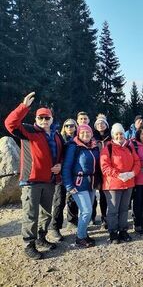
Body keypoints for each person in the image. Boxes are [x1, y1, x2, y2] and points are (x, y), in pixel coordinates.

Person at [5, 92, 64, 259]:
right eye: (41, 118)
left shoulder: (57, 136)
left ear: (52, 119)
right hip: (31, 181)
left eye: (47, 118)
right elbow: (10, 124)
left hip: (49, 181)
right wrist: (23, 107)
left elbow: (61, 155)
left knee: (46, 213)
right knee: (31, 214)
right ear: (36, 120)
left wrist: (60, 165)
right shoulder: (29, 131)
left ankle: (41, 238)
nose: (44, 121)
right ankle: (28, 244)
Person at [100, 123, 141, 244]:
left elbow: (137, 161)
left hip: (128, 183)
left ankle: (123, 230)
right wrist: (118, 174)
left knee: (124, 208)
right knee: (113, 209)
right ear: (113, 135)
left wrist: (132, 173)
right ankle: (113, 232)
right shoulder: (108, 148)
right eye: (117, 134)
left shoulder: (129, 146)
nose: (119, 136)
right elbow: (104, 166)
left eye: (121, 134)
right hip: (113, 184)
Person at [62, 124, 100, 248]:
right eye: (82, 133)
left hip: (91, 183)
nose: (85, 135)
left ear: (91, 134)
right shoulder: (74, 147)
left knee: (88, 211)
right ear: (78, 134)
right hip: (78, 183)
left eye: (88, 133)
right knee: (86, 211)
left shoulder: (94, 146)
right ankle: (80, 237)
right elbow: (66, 166)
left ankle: (83, 234)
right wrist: (68, 185)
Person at [49, 118, 78, 241]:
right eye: (67, 126)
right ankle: (55, 227)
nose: (69, 128)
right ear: (64, 127)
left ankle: (72, 221)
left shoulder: (79, 139)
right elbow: (55, 154)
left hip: (74, 174)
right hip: (60, 175)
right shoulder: (59, 139)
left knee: (72, 199)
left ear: (76, 127)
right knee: (59, 200)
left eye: (72, 125)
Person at [92, 114, 110, 229]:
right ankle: (96, 216)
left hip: (108, 170)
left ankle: (106, 217)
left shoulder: (111, 137)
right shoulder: (92, 137)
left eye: (103, 123)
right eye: (98, 124)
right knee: (96, 195)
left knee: (107, 195)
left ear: (106, 125)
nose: (100, 125)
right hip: (96, 169)